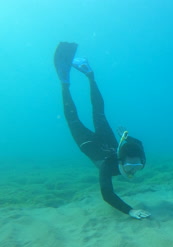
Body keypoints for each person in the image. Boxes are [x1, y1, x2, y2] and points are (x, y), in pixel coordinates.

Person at [53, 42, 151, 220]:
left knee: (95, 113)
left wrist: (127, 138)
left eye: (138, 166)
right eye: (130, 166)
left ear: (142, 161)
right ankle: (69, 82)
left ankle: (86, 75)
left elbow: (139, 144)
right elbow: (107, 194)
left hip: (107, 142)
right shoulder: (108, 166)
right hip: (91, 145)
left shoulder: (138, 154)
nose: (133, 171)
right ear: (121, 161)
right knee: (80, 117)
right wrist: (130, 210)